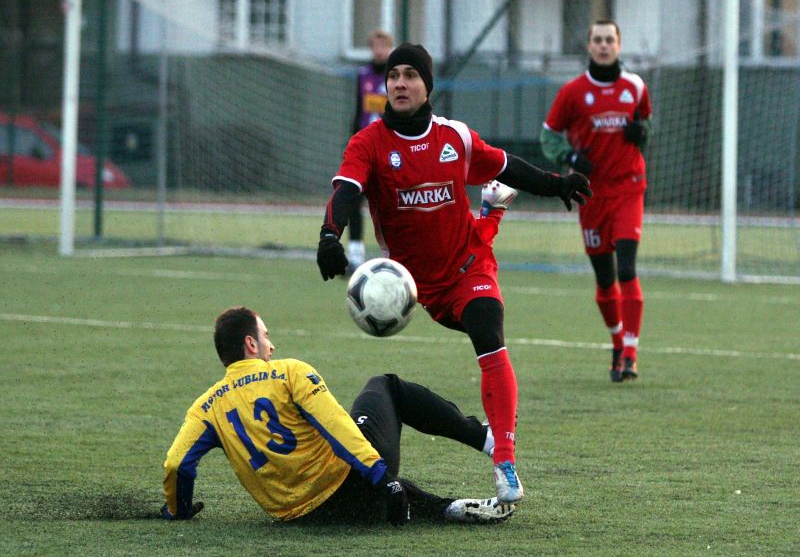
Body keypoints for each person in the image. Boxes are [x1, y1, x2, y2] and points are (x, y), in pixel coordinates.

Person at [315, 43, 592, 505]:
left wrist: (556, 183)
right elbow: (347, 190)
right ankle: (492, 211)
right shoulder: (369, 143)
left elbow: (505, 164)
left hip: (469, 268)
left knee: (488, 331)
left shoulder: (455, 138)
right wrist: (329, 234)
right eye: (393, 76)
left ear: (427, 86)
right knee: (472, 316)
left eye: (410, 75)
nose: (399, 83)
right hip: (418, 287)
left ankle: (503, 456)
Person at [161, 306, 515, 526]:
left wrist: (178, 510)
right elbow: (337, 427)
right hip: (355, 488)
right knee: (386, 384)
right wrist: (382, 476)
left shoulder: (206, 406)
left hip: (301, 517)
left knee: (360, 480)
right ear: (250, 345)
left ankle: (448, 508)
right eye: (267, 336)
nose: (273, 345)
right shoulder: (288, 371)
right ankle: (485, 438)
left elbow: (177, 464)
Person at [540, 19, 653, 382]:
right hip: (591, 193)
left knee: (626, 269)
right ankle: (618, 342)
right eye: (598, 40)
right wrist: (570, 159)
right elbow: (548, 136)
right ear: (589, 46)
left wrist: (643, 132)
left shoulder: (635, 86)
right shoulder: (573, 92)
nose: (604, 45)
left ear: (619, 45)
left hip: (628, 187)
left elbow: (647, 125)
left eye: (610, 40)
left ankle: (632, 353)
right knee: (605, 280)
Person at [347, 29, 395, 273]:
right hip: (366, 149)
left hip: (390, 151)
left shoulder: (396, 76)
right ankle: (355, 255)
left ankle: (396, 256)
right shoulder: (363, 75)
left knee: (393, 204)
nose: (379, 51)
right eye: (375, 46)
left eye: (383, 46)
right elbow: (358, 112)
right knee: (353, 199)